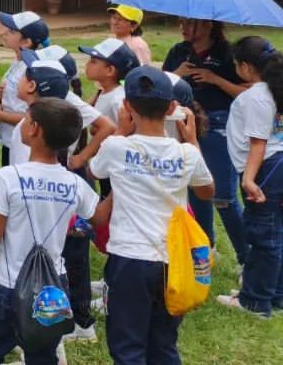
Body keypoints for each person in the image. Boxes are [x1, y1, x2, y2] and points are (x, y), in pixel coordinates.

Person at [89, 66, 214, 365]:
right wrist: (192, 140)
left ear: (127, 106)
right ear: (173, 108)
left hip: (129, 260)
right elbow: (207, 191)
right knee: (164, 343)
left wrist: (121, 129)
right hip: (174, 260)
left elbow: (95, 169)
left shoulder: (117, 146)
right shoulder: (187, 154)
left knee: (128, 345)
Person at [0, 99, 101, 365]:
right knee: (42, 353)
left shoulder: (8, 177)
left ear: (34, 130)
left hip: (8, 283)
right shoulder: (74, 184)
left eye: (25, 120)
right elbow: (94, 218)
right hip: (54, 285)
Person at [162, 19, 248, 261]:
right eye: (183, 23)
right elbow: (159, 84)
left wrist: (215, 79)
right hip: (184, 122)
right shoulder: (179, 51)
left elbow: (250, 91)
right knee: (195, 187)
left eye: (192, 24)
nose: (184, 27)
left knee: (223, 197)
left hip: (219, 125)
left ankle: (246, 259)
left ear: (209, 25)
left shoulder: (227, 53)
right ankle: (205, 248)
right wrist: (176, 74)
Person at [217, 36, 283, 316]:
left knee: (262, 235)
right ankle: (274, 294)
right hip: (276, 167)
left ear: (245, 66)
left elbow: (259, 142)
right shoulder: (272, 90)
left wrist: (249, 179)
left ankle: (255, 301)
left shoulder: (256, 97)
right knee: (275, 232)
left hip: (265, 169)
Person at [78, 38, 138, 200]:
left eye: (93, 61)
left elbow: (130, 129)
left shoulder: (118, 99)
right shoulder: (105, 93)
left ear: (110, 70)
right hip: (107, 162)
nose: (88, 65)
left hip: (116, 166)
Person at [0, 12, 49, 166]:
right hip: (11, 140)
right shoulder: (18, 61)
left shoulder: (30, 70)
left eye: (11, 31)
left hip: (22, 146)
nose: (4, 33)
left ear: (26, 42)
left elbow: (33, 117)